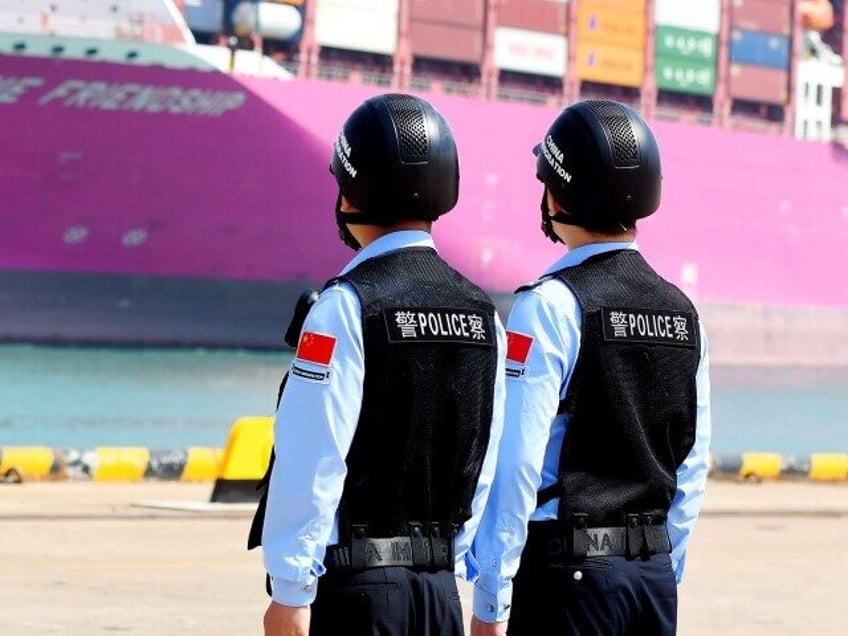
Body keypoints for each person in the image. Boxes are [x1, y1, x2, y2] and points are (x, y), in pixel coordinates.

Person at [258, 93, 507, 636]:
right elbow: (485, 460)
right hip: (440, 591)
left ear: (352, 191)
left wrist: (291, 589)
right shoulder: (485, 315)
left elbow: (312, 459)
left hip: (360, 595)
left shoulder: (346, 306)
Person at [470, 99, 712, 635]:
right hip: (651, 580)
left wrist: (491, 594)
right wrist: (661, 571)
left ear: (555, 194)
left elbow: (517, 465)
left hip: (568, 580)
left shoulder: (551, 305)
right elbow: (691, 465)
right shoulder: (683, 312)